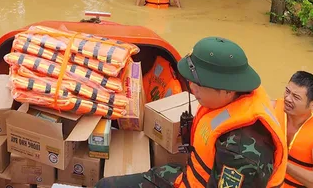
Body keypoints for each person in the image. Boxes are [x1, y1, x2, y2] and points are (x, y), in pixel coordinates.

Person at [97, 37, 287, 188]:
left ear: (228, 89)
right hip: (189, 176)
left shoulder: (240, 153)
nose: (191, 87)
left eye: (199, 84)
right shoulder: (236, 97)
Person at [272, 71, 313, 188]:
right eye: (287, 91)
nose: (287, 98)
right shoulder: (270, 109)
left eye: (296, 97)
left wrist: (279, 162)